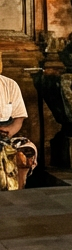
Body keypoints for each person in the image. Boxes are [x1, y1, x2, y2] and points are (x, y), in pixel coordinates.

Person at [0, 55, 38, 190]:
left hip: (5, 135)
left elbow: (19, 119)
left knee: (27, 150)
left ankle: (17, 191)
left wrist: (9, 131)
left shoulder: (10, 85)